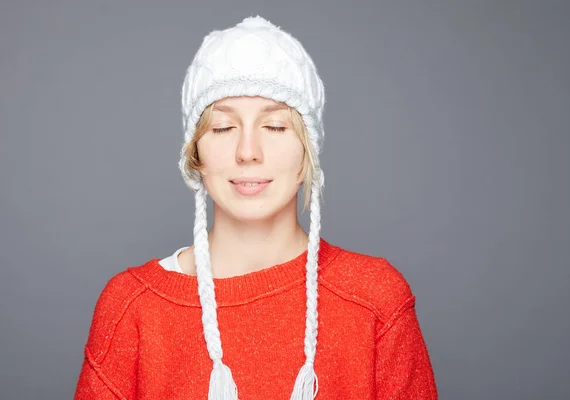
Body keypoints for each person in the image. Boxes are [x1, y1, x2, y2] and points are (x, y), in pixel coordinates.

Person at [74, 15, 438, 399]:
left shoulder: (375, 299)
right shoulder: (132, 306)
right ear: (195, 152)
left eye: (276, 127)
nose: (248, 152)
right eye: (222, 128)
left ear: (307, 149)